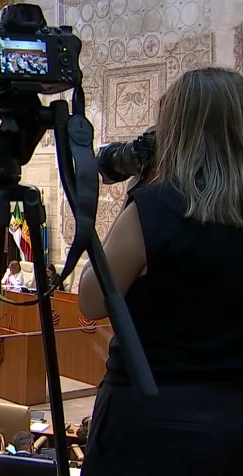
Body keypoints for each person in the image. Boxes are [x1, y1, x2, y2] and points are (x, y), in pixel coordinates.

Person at [78, 67, 243, 475]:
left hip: (150, 423)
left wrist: (137, 191)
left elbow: (92, 299)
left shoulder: (155, 209)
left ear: (175, 131)